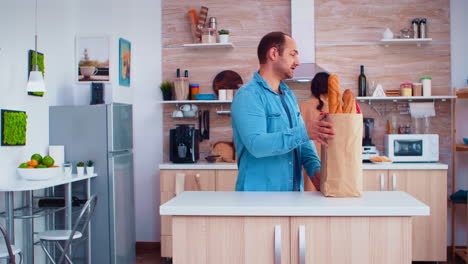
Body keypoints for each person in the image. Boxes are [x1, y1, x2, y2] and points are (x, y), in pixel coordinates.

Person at [230, 32, 334, 191]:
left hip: (292, 196)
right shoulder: (248, 95)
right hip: (257, 199)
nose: (298, 62)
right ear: (273, 54)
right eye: (293, 54)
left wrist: (316, 172)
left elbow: (303, 144)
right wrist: (304, 132)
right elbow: (256, 145)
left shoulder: (288, 95)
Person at [299, 72, 330, 191]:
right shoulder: (335, 108)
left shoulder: (301, 107)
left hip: (308, 161)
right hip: (330, 158)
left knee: (308, 200)